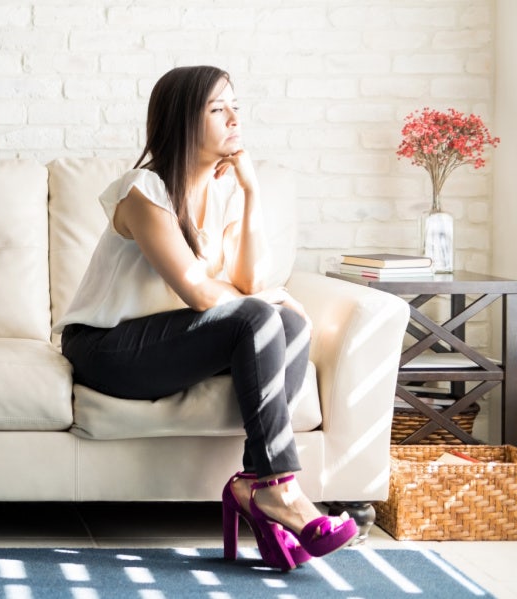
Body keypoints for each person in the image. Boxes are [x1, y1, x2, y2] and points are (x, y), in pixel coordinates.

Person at [54, 66, 357, 571]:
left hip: (173, 345)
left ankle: (256, 484)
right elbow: (197, 292)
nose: (235, 118)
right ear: (183, 123)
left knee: (292, 325)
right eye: (218, 109)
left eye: (235, 105)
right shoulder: (143, 190)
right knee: (262, 315)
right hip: (106, 349)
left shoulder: (222, 194)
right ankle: (278, 490)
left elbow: (250, 283)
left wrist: (252, 192)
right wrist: (264, 298)